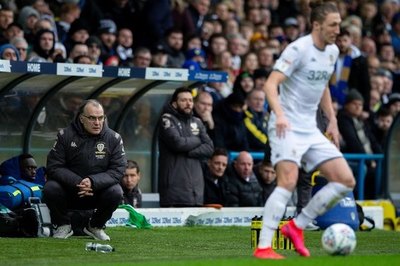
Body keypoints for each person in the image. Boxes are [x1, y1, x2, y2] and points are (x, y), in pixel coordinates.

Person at [254, 1, 356, 259]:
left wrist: (331, 120)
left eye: (339, 24)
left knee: (345, 180)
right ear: (317, 25)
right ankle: (264, 246)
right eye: (333, 25)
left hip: (310, 128)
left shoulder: (332, 52)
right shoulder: (298, 49)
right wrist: (279, 115)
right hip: (286, 126)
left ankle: (296, 226)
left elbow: (323, 87)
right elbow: (270, 85)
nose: (337, 29)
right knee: (287, 182)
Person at [43, 99, 126, 240]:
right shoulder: (65, 136)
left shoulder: (114, 138)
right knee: (50, 188)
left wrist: (93, 182)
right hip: (70, 190)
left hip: (97, 191)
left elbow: (118, 170)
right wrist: (79, 182)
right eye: (92, 118)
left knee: (116, 191)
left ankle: (95, 226)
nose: (97, 122)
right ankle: (63, 225)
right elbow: (54, 166)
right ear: (82, 118)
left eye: (101, 118)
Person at [158, 87, 214, 207]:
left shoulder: (197, 122)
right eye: (183, 100)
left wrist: (189, 152)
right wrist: (198, 140)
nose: (188, 103)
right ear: (174, 103)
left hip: (196, 190)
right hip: (174, 190)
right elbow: (178, 143)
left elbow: (209, 148)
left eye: (190, 100)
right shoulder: (167, 119)